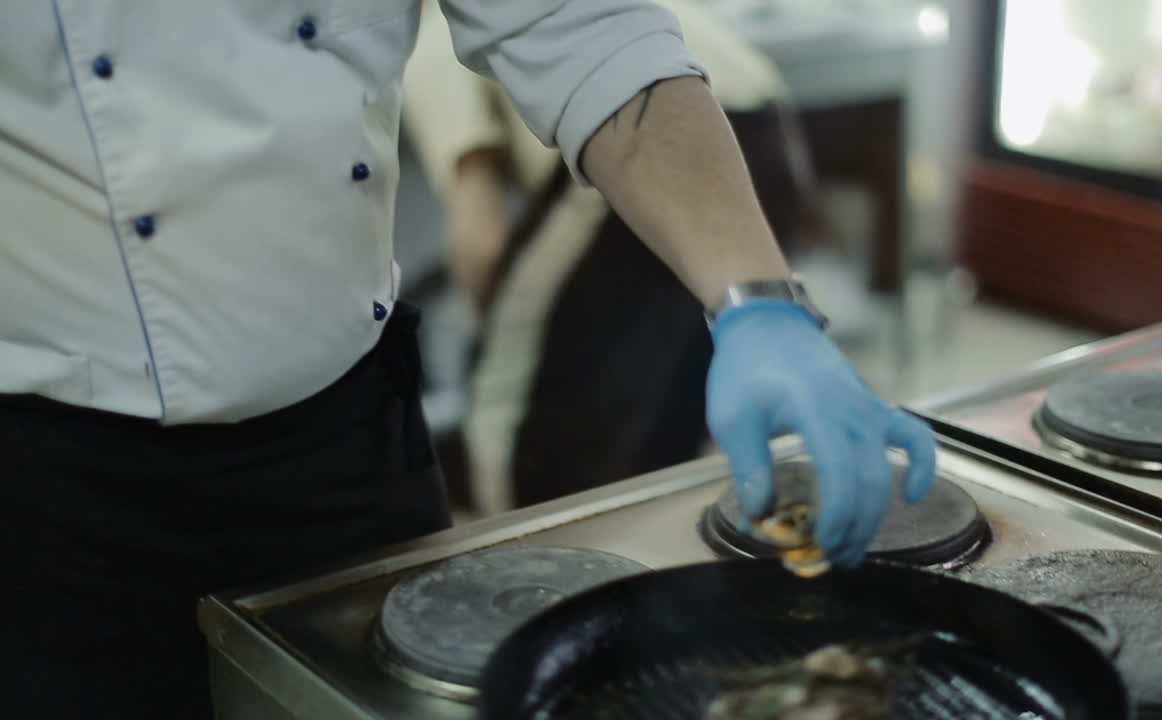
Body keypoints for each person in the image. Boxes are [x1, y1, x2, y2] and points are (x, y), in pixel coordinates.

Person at [0, 1, 937, 717]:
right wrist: (477, 191)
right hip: (49, 481)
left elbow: (577, 21)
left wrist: (761, 306)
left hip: (344, 448)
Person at [403, 0, 812, 513]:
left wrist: (501, 329)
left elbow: (480, 237)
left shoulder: (432, 32)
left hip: (650, 133)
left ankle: (531, 576)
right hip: (759, 136)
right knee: (668, 415)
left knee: (511, 423)